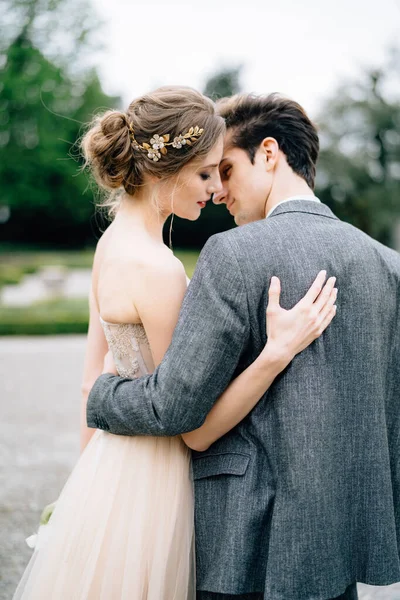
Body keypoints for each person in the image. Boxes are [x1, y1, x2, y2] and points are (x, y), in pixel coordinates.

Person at [13, 87, 336, 600]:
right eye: (206, 172)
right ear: (168, 168)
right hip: (156, 482)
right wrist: (276, 352)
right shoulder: (158, 268)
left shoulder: (110, 243)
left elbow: (87, 383)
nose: (214, 188)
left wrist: (79, 491)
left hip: (108, 470)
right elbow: (192, 421)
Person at [87, 93, 400, 600]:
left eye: (226, 170)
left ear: (269, 153)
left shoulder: (234, 254)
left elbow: (177, 407)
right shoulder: (388, 265)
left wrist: (102, 396)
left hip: (244, 541)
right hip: (341, 543)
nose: (218, 191)